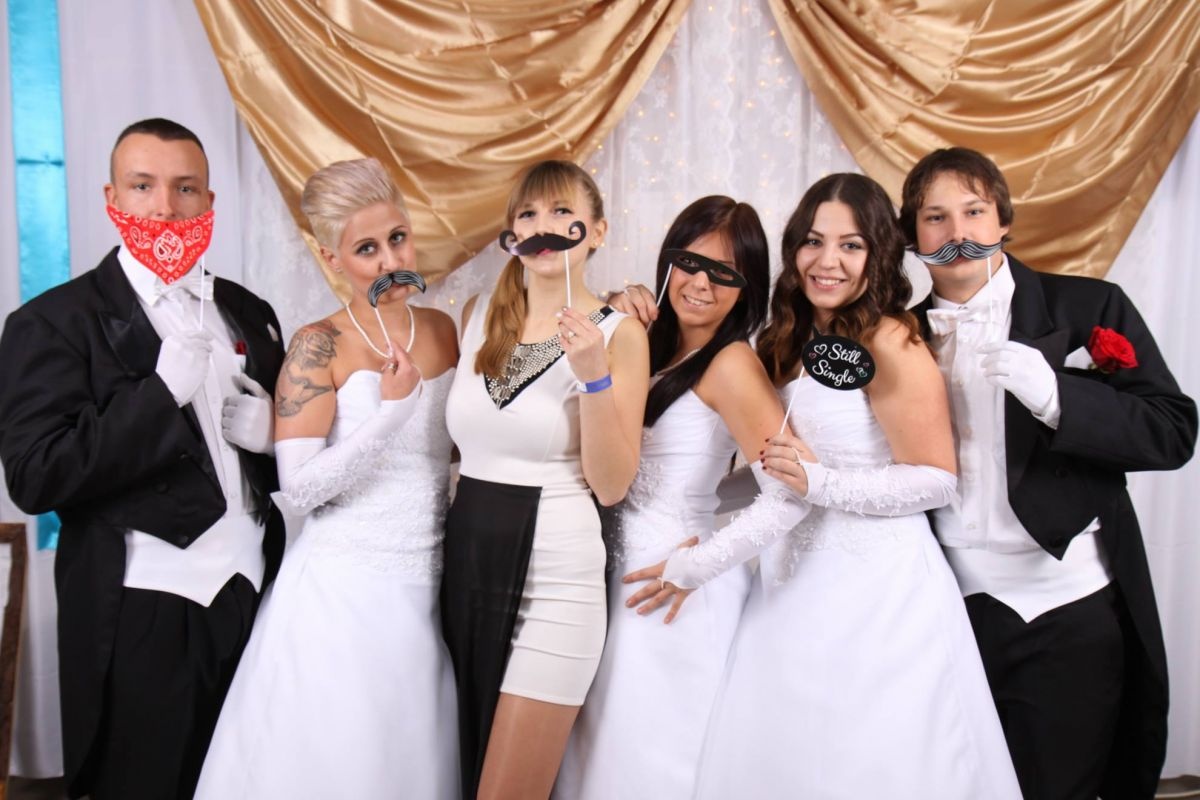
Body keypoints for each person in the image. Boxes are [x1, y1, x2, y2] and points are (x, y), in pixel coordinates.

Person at [626, 173, 1022, 798]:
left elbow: (937, 479)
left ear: (878, 255)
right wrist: (696, 514)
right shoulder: (782, 340)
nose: (827, 261)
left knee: (870, 761)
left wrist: (821, 484)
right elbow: (772, 471)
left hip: (878, 589)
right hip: (789, 580)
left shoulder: (890, 337)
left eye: (851, 245)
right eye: (813, 241)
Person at [0, 118, 285, 799]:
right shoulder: (53, 321)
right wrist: (157, 398)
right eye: (143, 186)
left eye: (185, 188)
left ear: (209, 201)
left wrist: (275, 442)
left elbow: (274, 461)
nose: (164, 207)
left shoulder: (248, 310)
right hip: (142, 606)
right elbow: (36, 476)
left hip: (256, 592)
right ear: (112, 197)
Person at [901, 147, 1197, 800]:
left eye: (974, 212)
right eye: (936, 217)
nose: (958, 233)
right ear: (911, 234)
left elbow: (1172, 431)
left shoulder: (1088, 306)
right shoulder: (896, 334)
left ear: (1003, 220)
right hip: (942, 608)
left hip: (1068, 610)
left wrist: (1059, 398)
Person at [194, 158, 460, 798]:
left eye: (398, 238)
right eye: (367, 249)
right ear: (330, 257)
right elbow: (301, 489)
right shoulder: (317, 345)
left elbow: (459, 446)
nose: (390, 260)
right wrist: (390, 416)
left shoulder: (444, 329)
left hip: (431, 580)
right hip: (343, 588)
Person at [554, 196, 775, 799]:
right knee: (595, 755)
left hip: (669, 590)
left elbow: (790, 492)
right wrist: (612, 311)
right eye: (689, 262)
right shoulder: (646, 339)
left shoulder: (732, 363)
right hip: (607, 573)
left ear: (749, 287)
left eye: (724, 272)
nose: (700, 284)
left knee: (650, 762)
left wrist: (698, 562)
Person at [442, 159, 649, 800]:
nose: (543, 227)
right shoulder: (477, 315)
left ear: (597, 231)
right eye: (527, 214)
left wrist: (594, 376)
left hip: (557, 580)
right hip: (469, 566)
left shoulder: (619, 333)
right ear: (511, 234)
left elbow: (611, 485)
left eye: (562, 212)